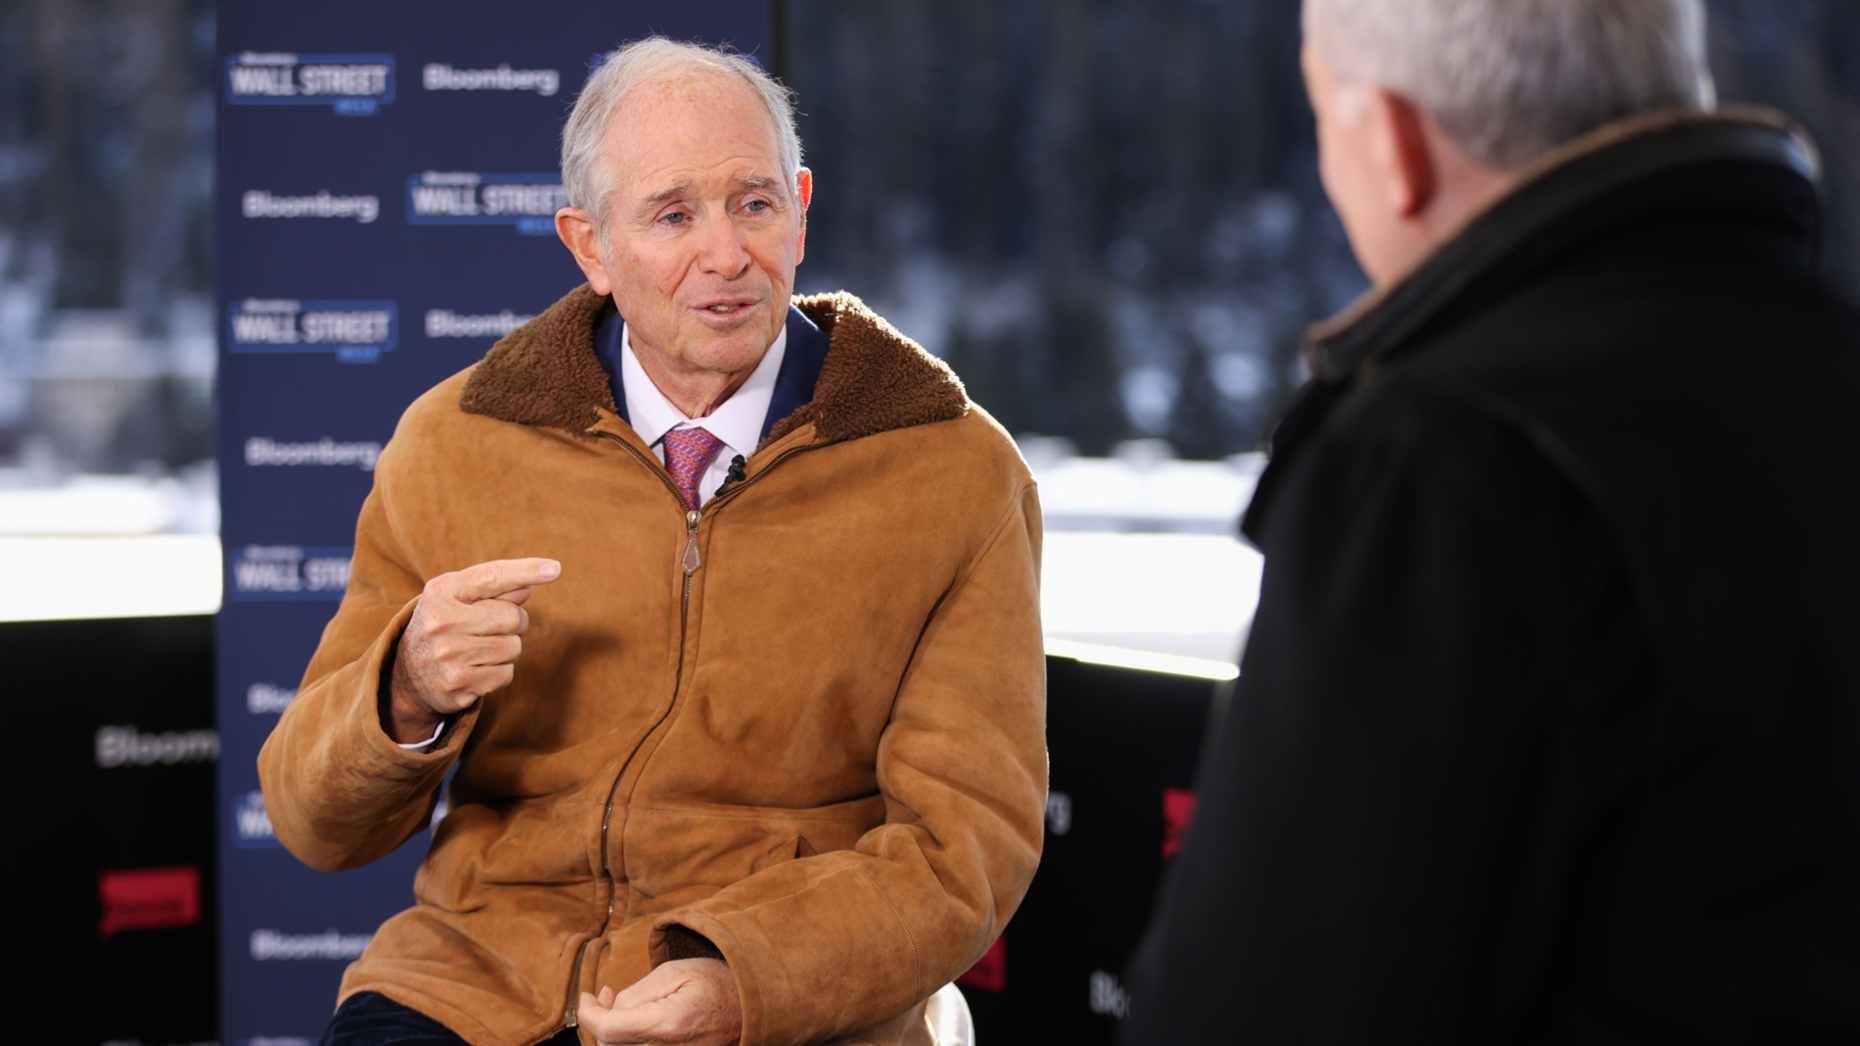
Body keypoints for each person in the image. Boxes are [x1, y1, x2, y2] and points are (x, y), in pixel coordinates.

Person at [259, 37, 1047, 1046]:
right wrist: (404, 687)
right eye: (674, 215)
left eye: (754, 203)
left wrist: (750, 978)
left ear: (800, 207)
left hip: (787, 993)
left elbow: (963, 849)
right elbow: (312, 821)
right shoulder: (454, 443)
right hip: (480, 978)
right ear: (589, 245)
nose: (726, 254)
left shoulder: (954, 471)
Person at [1125, 0, 1860, 1042]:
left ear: (1393, 145)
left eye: (1323, 114)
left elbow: (1266, 1005)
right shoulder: (1827, 367)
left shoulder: (1438, 465)